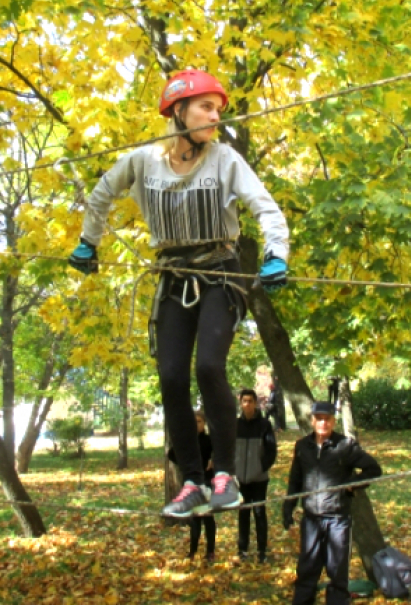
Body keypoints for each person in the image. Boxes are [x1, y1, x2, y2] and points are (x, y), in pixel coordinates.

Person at [68, 69, 290, 517]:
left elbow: (265, 207)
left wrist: (276, 253)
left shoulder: (225, 159)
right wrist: (89, 241)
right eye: (206, 107)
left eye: (219, 110)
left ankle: (223, 475)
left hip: (221, 272)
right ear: (177, 110)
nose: (215, 117)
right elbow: (101, 194)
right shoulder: (143, 160)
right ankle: (192, 481)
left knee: (209, 366)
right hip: (172, 275)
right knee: (170, 377)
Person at [283, 401, 382, 605]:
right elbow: (295, 479)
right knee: (307, 569)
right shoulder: (302, 446)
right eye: (318, 419)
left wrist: (351, 484)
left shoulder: (345, 446)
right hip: (311, 519)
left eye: (327, 419)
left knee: (337, 571)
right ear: (312, 420)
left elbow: (373, 469)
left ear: (333, 421)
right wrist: (288, 507)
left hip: (337, 519)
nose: (323, 423)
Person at [169, 411, 217, 562]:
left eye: (199, 422)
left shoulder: (210, 441)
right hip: (191, 483)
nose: (197, 425)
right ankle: (193, 551)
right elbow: (171, 454)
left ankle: (210, 551)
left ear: (204, 424)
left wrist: (213, 460)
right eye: (194, 422)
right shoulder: (187, 441)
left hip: (207, 482)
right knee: (195, 518)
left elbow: (222, 453)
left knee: (208, 518)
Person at [235, 388, 277, 563]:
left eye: (250, 401)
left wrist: (261, 467)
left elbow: (271, 450)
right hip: (241, 480)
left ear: (255, 403)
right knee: (243, 514)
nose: (247, 404)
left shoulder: (264, 425)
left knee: (259, 513)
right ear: (241, 403)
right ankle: (243, 549)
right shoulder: (235, 425)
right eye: (244, 401)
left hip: (259, 478)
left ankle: (262, 551)